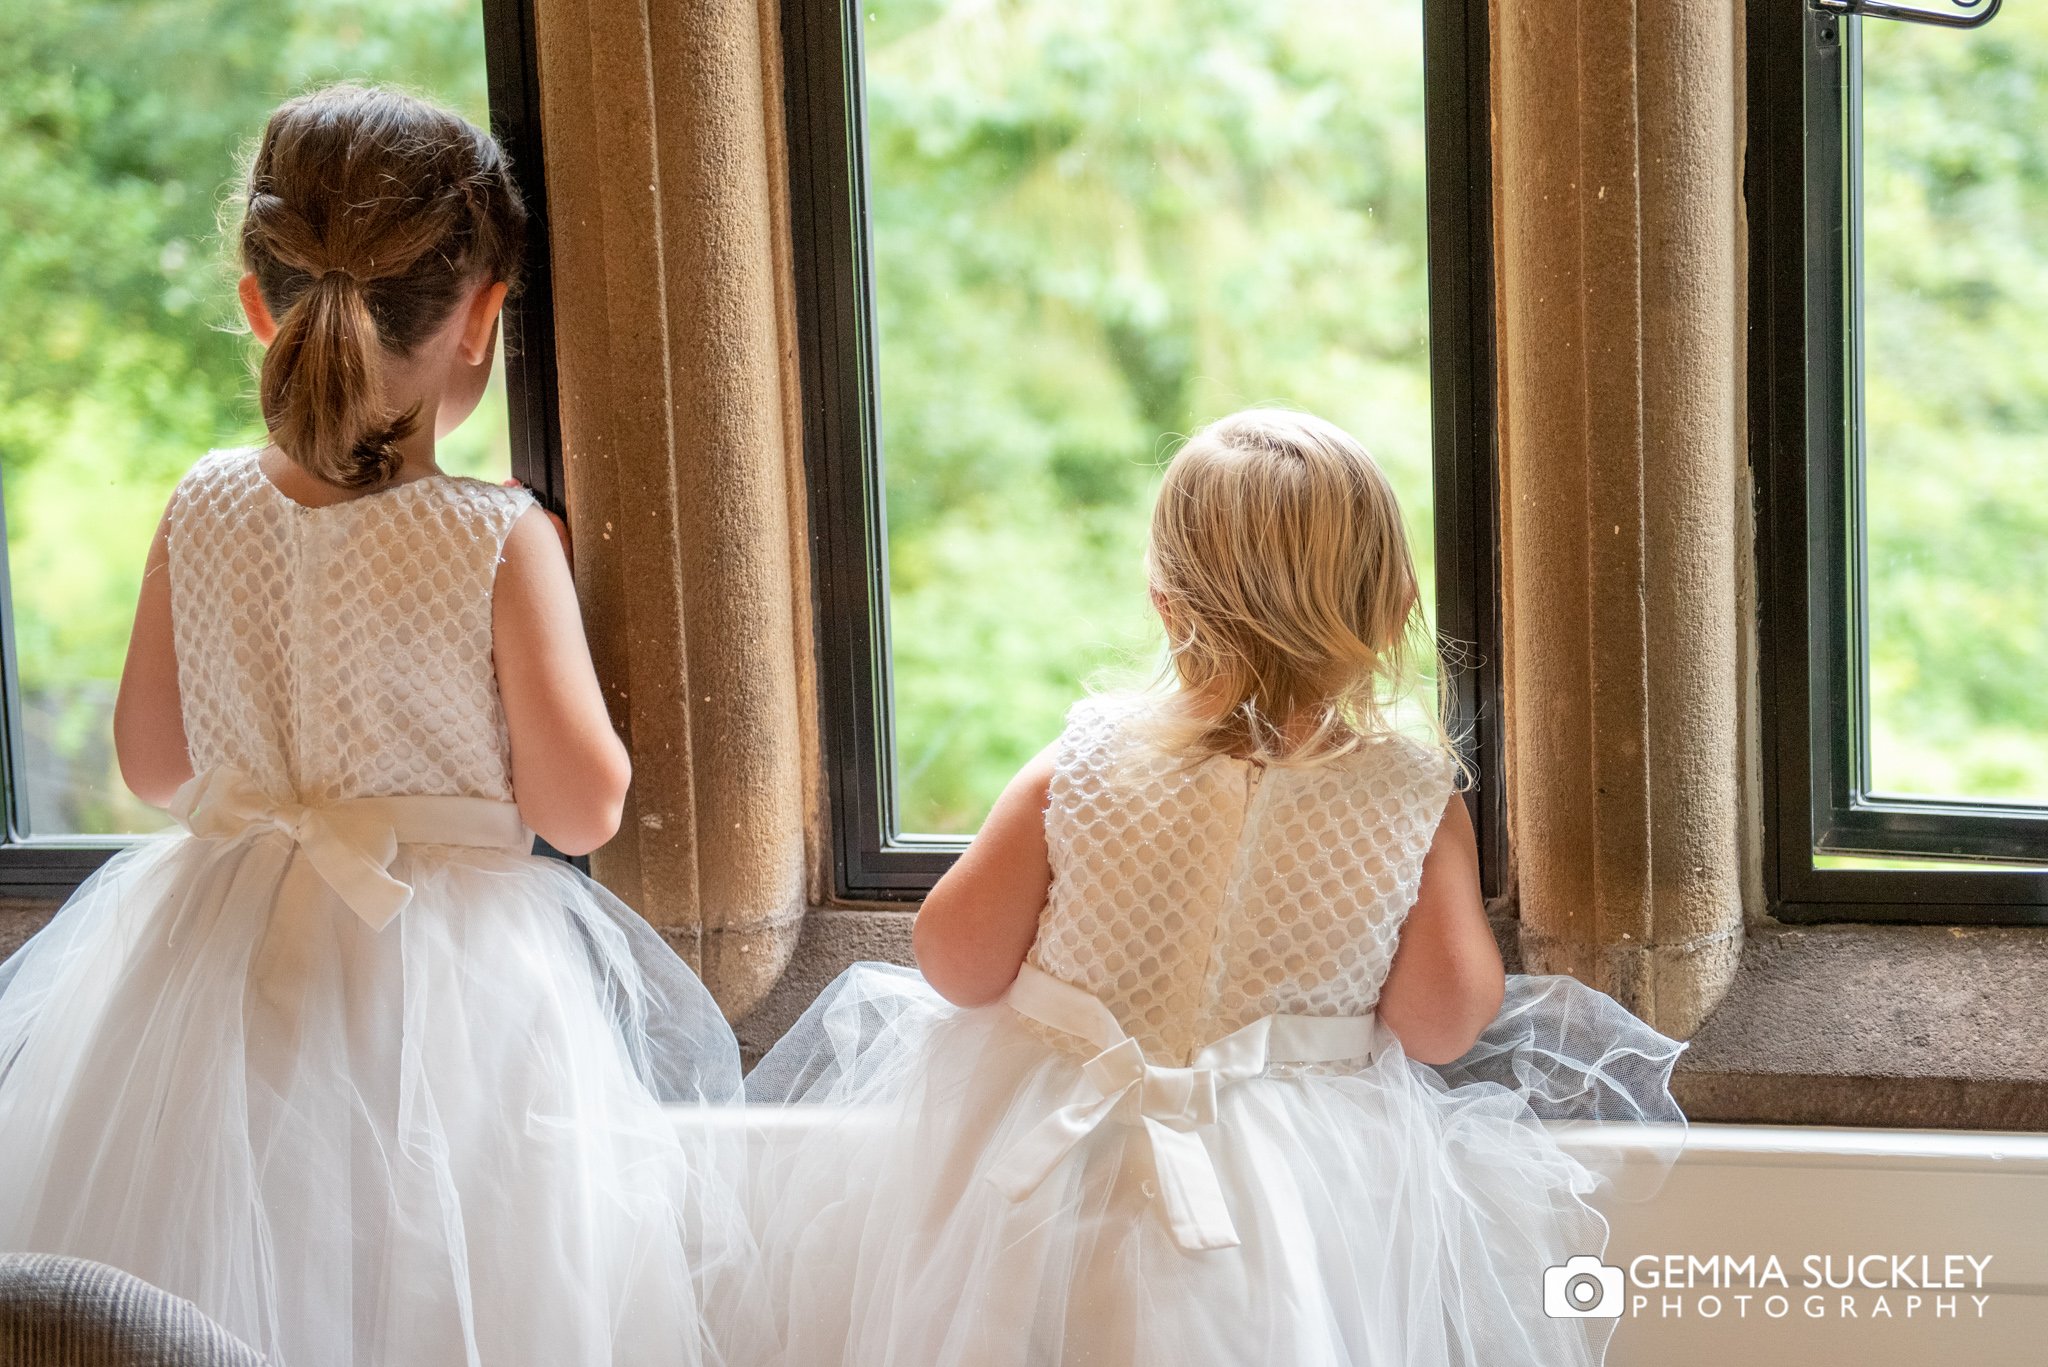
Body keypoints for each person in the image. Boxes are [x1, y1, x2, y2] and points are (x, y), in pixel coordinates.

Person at [0, 84, 766, 1367]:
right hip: (451, 983)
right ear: (482, 317)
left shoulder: (199, 506)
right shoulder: (495, 536)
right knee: (440, 1282)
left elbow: (153, 764)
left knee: (207, 1287)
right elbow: (580, 810)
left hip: (209, 957)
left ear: (257, 304)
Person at [747, 407, 1686, 1367]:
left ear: (1164, 600)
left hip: (1052, 1168)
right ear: (1396, 604)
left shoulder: (1082, 761)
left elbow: (955, 960)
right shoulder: (1410, 797)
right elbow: (1440, 1022)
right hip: (1287, 1182)